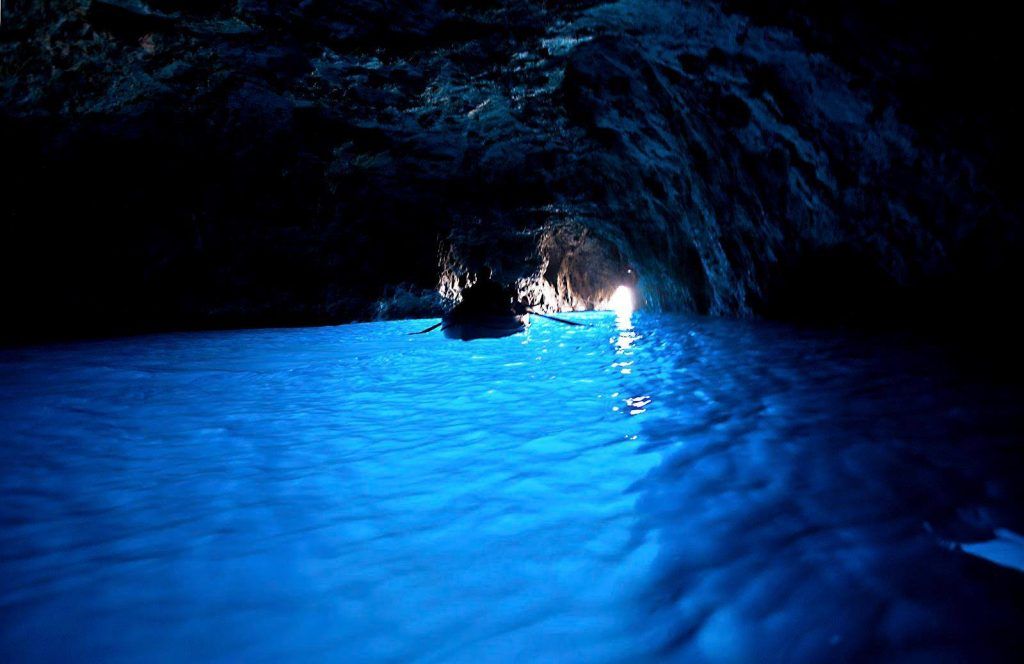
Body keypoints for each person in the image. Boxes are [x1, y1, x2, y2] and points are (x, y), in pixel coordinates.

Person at [457, 267, 525, 316]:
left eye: (478, 275)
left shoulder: (493, 286)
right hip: (485, 310)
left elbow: (504, 297)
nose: (477, 277)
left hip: (492, 310)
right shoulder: (477, 287)